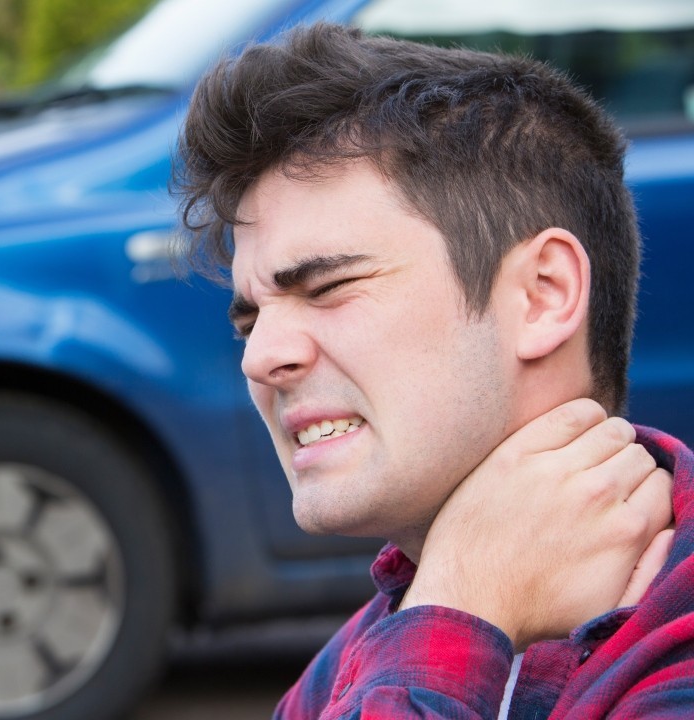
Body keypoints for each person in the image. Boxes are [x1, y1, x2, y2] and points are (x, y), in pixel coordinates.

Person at [175, 22, 694, 719]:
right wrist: (463, 597)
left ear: (543, 294)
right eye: (249, 319)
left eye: (327, 287)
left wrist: (464, 599)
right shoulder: (366, 650)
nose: (261, 358)